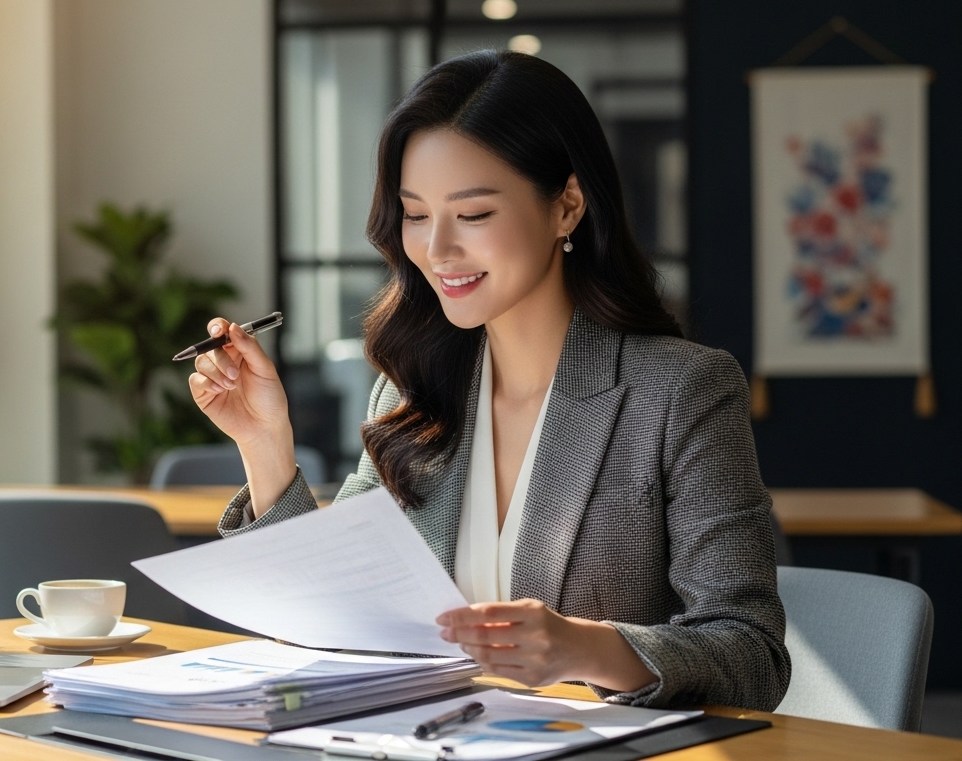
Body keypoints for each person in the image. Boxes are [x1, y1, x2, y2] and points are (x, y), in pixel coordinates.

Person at [188, 50, 789, 712]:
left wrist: (584, 647)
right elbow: (340, 612)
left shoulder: (683, 393)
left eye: (472, 216)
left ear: (566, 207)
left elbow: (752, 654)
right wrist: (266, 442)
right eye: (415, 214)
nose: (437, 250)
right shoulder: (412, 392)